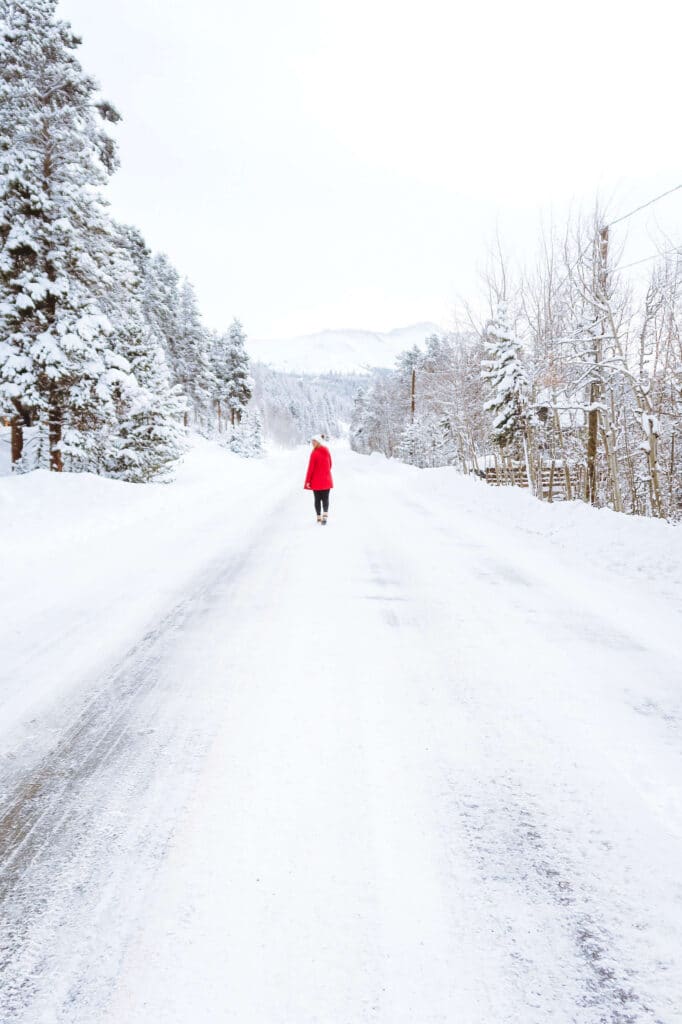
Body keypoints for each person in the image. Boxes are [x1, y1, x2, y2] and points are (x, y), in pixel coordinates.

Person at [304, 435, 333, 525]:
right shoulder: (327, 450)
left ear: (319, 442)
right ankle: (324, 516)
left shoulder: (314, 453)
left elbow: (310, 469)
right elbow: (330, 464)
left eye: (314, 441)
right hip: (326, 480)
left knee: (317, 499)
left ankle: (319, 517)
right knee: (325, 498)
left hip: (316, 481)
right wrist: (325, 472)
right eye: (312, 441)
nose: (312, 443)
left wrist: (308, 481)